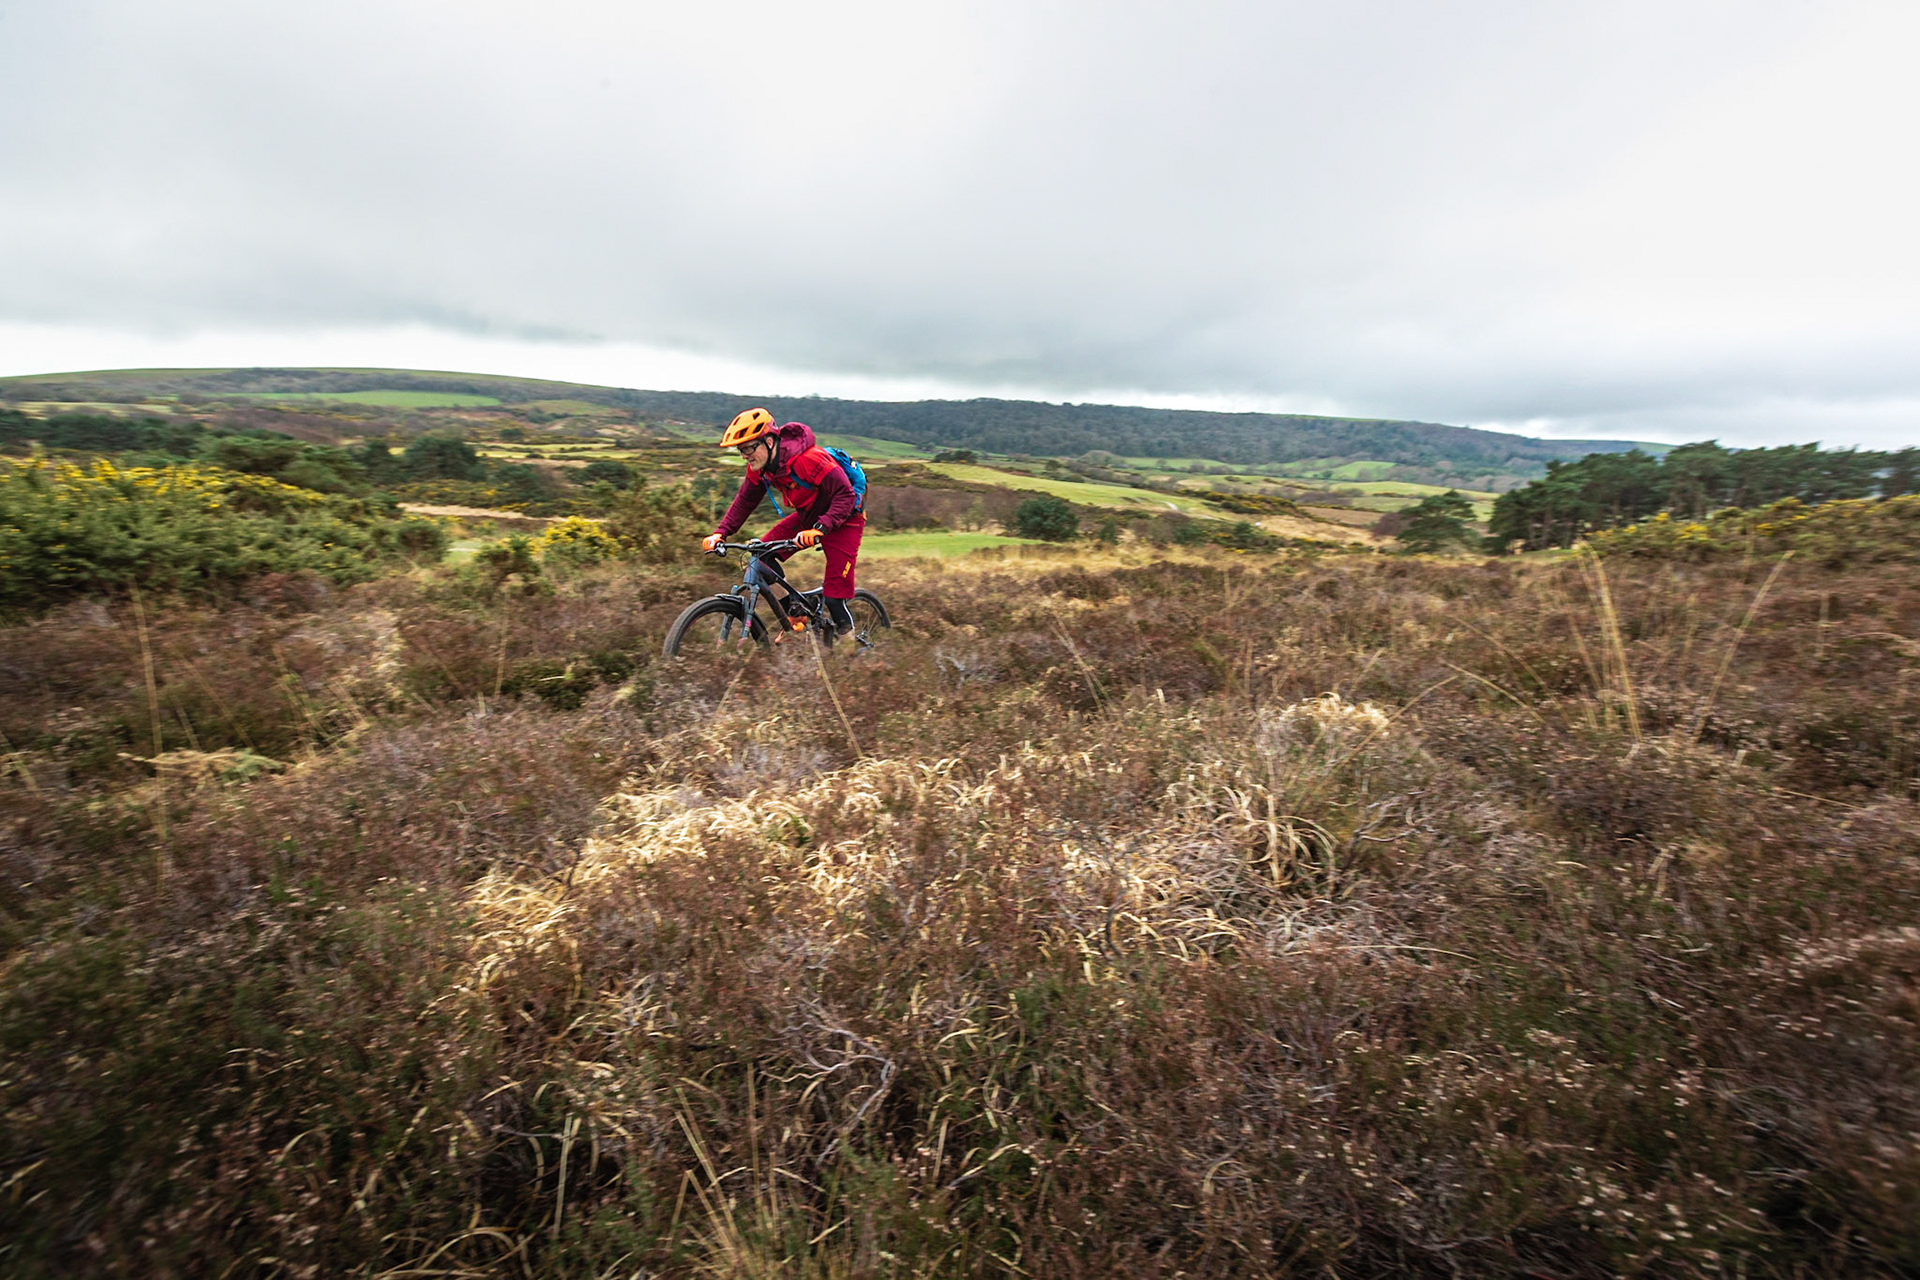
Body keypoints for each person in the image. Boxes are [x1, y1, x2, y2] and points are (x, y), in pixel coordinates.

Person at [702, 408, 865, 637]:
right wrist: (721, 532)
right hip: (808, 516)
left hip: (845, 519)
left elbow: (845, 495)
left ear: (769, 442)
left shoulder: (809, 459)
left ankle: (851, 650)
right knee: (761, 557)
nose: (745, 456)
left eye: (748, 448)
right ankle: (797, 612)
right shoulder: (761, 469)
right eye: (741, 450)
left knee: (834, 596)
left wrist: (821, 527)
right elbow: (745, 501)